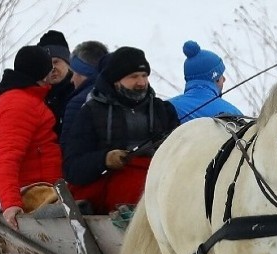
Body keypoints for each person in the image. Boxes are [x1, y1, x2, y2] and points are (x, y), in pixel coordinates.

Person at [64, 46, 179, 214]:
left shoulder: (163, 110)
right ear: (116, 80)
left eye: (144, 76)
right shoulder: (91, 112)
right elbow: (72, 168)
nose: (141, 82)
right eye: (133, 77)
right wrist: (105, 159)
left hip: (159, 181)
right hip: (114, 191)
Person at [0, 45, 62, 229]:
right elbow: (7, 157)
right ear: (40, 73)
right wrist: (11, 203)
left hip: (36, 190)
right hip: (27, 194)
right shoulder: (20, 104)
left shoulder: (26, 98)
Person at [168, 40, 242, 123]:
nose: (224, 79)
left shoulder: (166, 108)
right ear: (216, 78)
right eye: (221, 76)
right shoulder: (233, 114)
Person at [60, 40, 109, 149]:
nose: (72, 80)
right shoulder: (115, 94)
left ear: (84, 72)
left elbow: (67, 146)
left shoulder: (77, 103)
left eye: (74, 73)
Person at [37, 30, 74, 137]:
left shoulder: (78, 92)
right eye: (48, 63)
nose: (52, 68)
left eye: (56, 62)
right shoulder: (38, 95)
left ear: (67, 62)